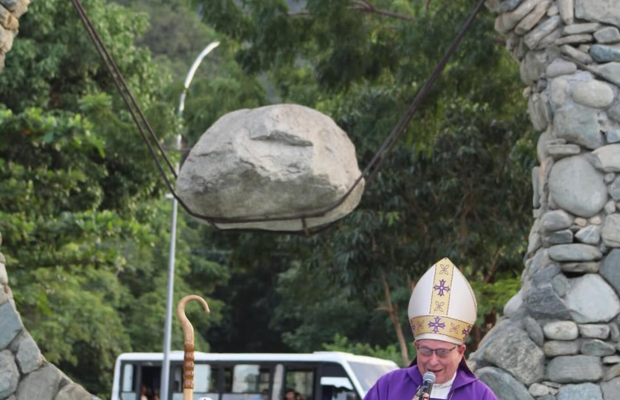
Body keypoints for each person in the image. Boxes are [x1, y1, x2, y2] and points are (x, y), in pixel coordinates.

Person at [363, 258, 498, 400]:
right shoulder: (389, 386)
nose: (433, 361)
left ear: (460, 352)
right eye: (426, 351)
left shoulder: (480, 395)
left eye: (442, 352)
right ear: (416, 347)